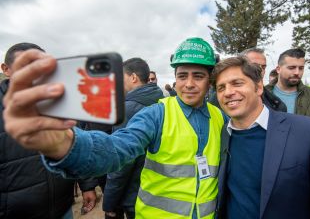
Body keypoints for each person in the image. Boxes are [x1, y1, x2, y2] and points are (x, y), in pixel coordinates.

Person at [3, 37, 228, 219]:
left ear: (210, 80)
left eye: (198, 76)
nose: (188, 83)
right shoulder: (157, 113)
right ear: (176, 78)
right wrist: (65, 143)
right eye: (182, 76)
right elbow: (117, 148)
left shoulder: (219, 117)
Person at [212, 56, 310, 218]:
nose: (228, 92)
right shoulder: (220, 135)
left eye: (237, 83)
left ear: (259, 87)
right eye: (221, 88)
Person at [0, 43, 96, 219]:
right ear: (6, 69)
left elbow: (74, 143)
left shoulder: (58, 105)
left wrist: (87, 185)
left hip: (62, 208)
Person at [103, 57, 164, 219]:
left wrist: (110, 202)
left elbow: (120, 162)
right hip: (158, 191)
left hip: (134, 196)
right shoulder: (163, 102)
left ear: (133, 77)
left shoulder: (128, 109)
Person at [265, 48, 310, 135]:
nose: (297, 72)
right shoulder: (262, 95)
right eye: (292, 68)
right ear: (278, 69)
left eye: (301, 68)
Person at [240, 48, 287, 112]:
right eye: (254, 65)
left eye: (263, 67)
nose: (261, 70)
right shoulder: (227, 96)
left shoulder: (276, 104)